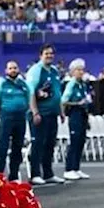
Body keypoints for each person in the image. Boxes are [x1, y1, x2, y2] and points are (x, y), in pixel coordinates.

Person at [26, 44, 63, 184]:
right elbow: (31, 93)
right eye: (47, 53)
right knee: (38, 143)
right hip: (40, 113)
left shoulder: (54, 71)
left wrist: (61, 112)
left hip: (52, 113)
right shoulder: (35, 71)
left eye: (51, 53)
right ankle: (35, 174)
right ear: (41, 55)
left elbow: (57, 93)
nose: (49, 56)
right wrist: (35, 112)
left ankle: (48, 173)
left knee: (49, 144)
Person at [0, 60, 29, 181]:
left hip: (21, 118)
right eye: (10, 68)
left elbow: (28, 100)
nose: (13, 70)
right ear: (6, 71)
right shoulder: (2, 84)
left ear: (18, 70)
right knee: (2, 146)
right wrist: (2, 115)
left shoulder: (23, 84)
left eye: (15, 68)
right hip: (6, 117)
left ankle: (14, 175)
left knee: (17, 147)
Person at [61, 58, 92, 180]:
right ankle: (69, 169)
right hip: (75, 114)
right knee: (74, 141)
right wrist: (77, 104)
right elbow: (64, 101)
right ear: (73, 71)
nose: (81, 72)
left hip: (83, 114)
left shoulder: (82, 85)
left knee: (81, 141)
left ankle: (76, 168)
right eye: (78, 70)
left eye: (82, 70)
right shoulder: (71, 84)